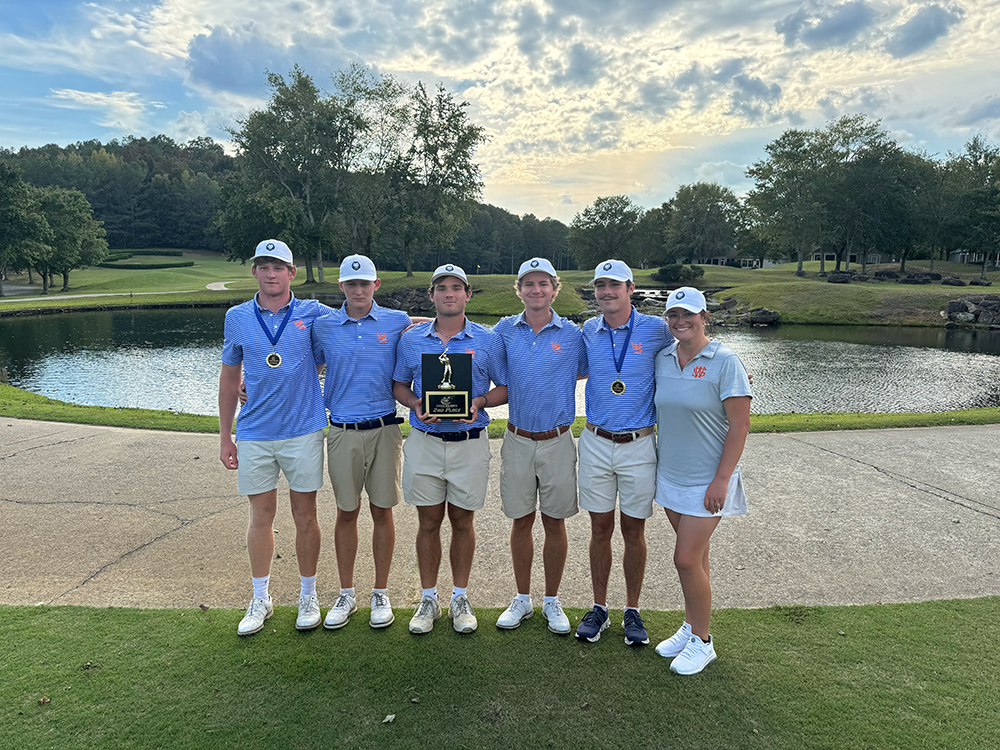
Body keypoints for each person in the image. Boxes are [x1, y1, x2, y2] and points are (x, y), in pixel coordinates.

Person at [218, 239, 329, 636]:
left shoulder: (313, 312)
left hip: (303, 430)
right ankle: (261, 597)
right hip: (254, 432)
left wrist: (433, 323)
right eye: (263, 266)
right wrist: (225, 436)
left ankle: (308, 594)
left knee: (305, 516)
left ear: (291, 272)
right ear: (254, 272)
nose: (271, 273)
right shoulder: (237, 316)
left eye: (278, 266)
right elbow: (231, 377)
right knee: (260, 517)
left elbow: (362, 320)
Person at [392, 263, 502, 635]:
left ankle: (459, 597)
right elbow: (399, 385)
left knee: (462, 521)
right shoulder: (411, 339)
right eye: (442, 287)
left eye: (457, 287)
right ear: (432, 295)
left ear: (468, 294)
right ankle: (428, 599)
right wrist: (416, 404)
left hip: (469, 442)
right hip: (425, 440)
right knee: (428, 522)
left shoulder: (487, 340)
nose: (450, 293)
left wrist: (480, 402)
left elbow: (505, 387)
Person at [652, 286, 752, 675]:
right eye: (673, 315)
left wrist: (722, 479)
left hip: (708, 481)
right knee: (698, 558)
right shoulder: (662, 358)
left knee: (685, 558)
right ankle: (692, 626)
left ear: (704, 317)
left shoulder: (725, 361)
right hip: (671, 476)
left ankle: (703, 641)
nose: (680, 321)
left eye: (688, 314)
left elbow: (740, 426)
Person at [310, 254, 413, 631]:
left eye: (364, 284)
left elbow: (430, 339)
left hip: (385, 430)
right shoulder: (324, 326)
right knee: (346, 512)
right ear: (341, 287)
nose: (358, 290)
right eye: (351, 284)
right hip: (341, 431)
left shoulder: (396, 322)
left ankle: (380, 593)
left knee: (382, 510)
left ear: (376, 286)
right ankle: (347, 593)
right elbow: (301, 366)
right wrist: (250, 386)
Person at [575, 259, 674, 646]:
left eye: (614, 285)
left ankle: (632, 610)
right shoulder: (588, 330)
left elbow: (694, 343)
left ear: (631, 288)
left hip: (638, 444)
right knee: (600, 529)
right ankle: (599, 607)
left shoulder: (656, 330)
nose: (606, 292)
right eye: (600, 285)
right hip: (597, 441)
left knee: (634, 530)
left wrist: (730, 369)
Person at [489, 257, 585, 635]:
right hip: (517, 438)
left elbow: (607, 364)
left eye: (543, 283)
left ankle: (552, 599)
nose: (536, 290)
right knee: (521, 520)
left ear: (555, 288)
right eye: (529, 284)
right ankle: (522, 598)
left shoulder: (574, 335)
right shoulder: (503, 331)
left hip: (558, 440)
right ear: (520, 290)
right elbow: (493, 376)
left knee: (555, 521)